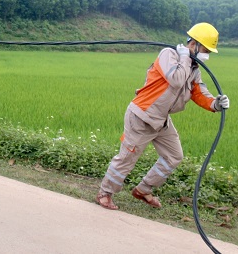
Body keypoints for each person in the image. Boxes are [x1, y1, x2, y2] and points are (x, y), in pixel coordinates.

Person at [95, 22, 230, 210]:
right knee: (127, 157)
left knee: (174, 156)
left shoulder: (193, 68)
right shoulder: (169, 55)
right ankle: (105, 192)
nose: (206, 55)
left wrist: (215, 104)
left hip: (161, 120)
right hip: (142, 116)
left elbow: (198, 92)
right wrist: (184, 58)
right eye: (205, 50)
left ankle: (143, 190)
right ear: (194, 44)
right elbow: (175, 80)